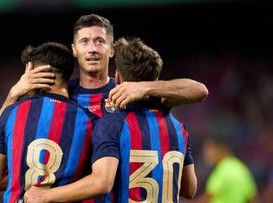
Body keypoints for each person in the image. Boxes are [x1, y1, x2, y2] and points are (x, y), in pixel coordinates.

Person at [23, 37, 198, 202]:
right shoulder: (178, 128)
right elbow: (189, 189)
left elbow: (101, 183)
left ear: (118, 78)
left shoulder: (111, 124)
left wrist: (47, 195)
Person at [0, 14, 208, 141]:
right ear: (74, 50)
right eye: (85, 42)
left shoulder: (128, 93)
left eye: (99, 41)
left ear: (112, 49)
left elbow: (199, 90)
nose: (92, 49)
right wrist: (14, 93)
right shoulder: (63, 96)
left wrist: (146, 88)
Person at [0, 42, 98, 203]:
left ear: (32, 73)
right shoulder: (91, 121)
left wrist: (13, 94)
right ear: (68, 75)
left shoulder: (11, 113)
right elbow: (99, 180)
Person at [193, 136, 257, 203]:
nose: (207, 154)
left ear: (219, 149)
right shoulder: (241, 169)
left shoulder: (223, 170)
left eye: (209, 149)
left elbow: (208, 197)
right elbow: (252, 198)